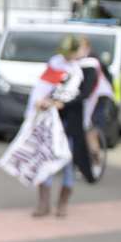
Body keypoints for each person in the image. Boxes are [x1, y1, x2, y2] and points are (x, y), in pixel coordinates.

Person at [27, 35, 95, 218]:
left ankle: (62, 204)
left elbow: (85, 94)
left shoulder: (86, 68)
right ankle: (44, 204)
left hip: (71, 123)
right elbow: (43, 87)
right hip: (51, 121)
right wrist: (42, 102)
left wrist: (64, 103)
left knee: (67, 162)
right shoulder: (55, 65)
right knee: (46, 159)